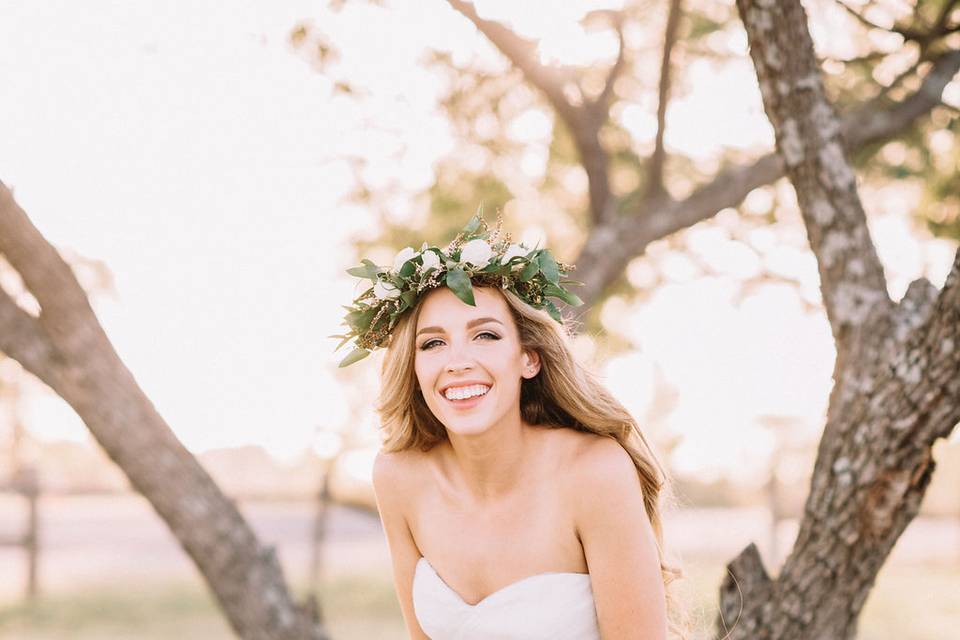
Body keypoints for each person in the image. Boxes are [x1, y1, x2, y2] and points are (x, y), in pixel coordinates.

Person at [337, 212, 685, 639]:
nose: (458, 362)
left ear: (529, 358)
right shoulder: (398, 477)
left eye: (485, 335)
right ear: (414, 367)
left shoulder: (594, 472)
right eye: (433, 343)